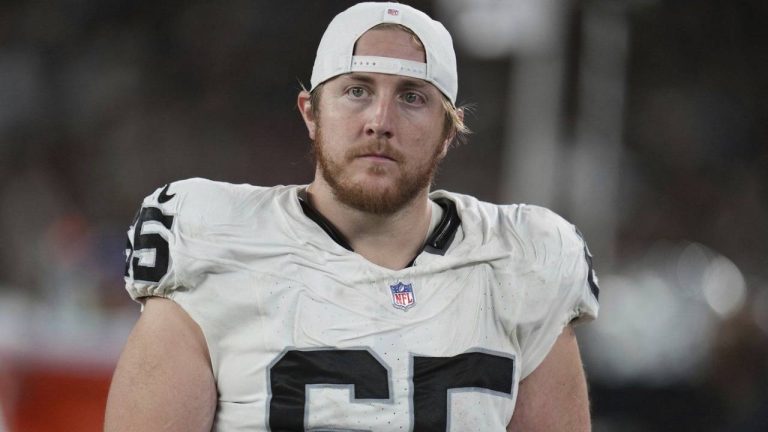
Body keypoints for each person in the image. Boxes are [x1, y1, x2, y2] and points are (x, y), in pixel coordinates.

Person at [104, 2, 600, 431]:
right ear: (311, 112)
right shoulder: (213, 241)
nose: (380, 122)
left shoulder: (521, 262)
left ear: (449, 131)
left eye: (412, 97)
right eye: (357, 90)